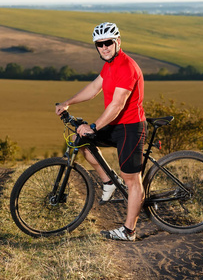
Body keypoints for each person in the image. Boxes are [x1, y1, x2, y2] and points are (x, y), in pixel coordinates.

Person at [55, 22, 146, 241]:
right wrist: (68, 102)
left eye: (108, 43)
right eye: (99, 44)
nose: (104, 47)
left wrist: (94, 126)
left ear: (118, 42)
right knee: (81, 141)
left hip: (130, 128)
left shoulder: (127, 67)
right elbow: (94, 88)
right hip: (113, 125)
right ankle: (108, 181)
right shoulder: (109, 65)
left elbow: (116, 106)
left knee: (132, 179)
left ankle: (129, 231)